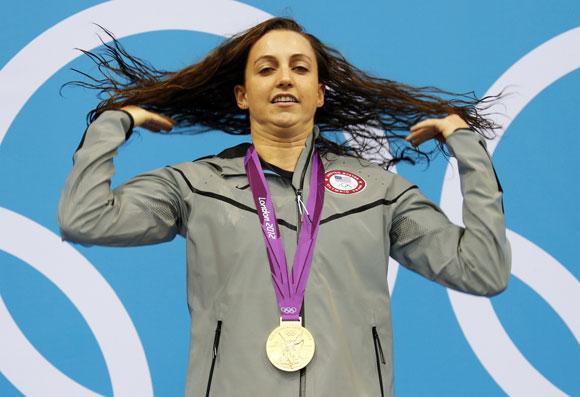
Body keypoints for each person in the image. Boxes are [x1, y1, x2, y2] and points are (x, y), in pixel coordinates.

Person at [58, 17, 511, 397]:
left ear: (319, 93)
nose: (284, 79)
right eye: (266, 69)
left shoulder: (378, 191)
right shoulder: (196, 186)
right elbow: (85, 218)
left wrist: (466, 146)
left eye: (299, 68)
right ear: (242, 95)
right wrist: (112, 123)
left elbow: (483, 268)